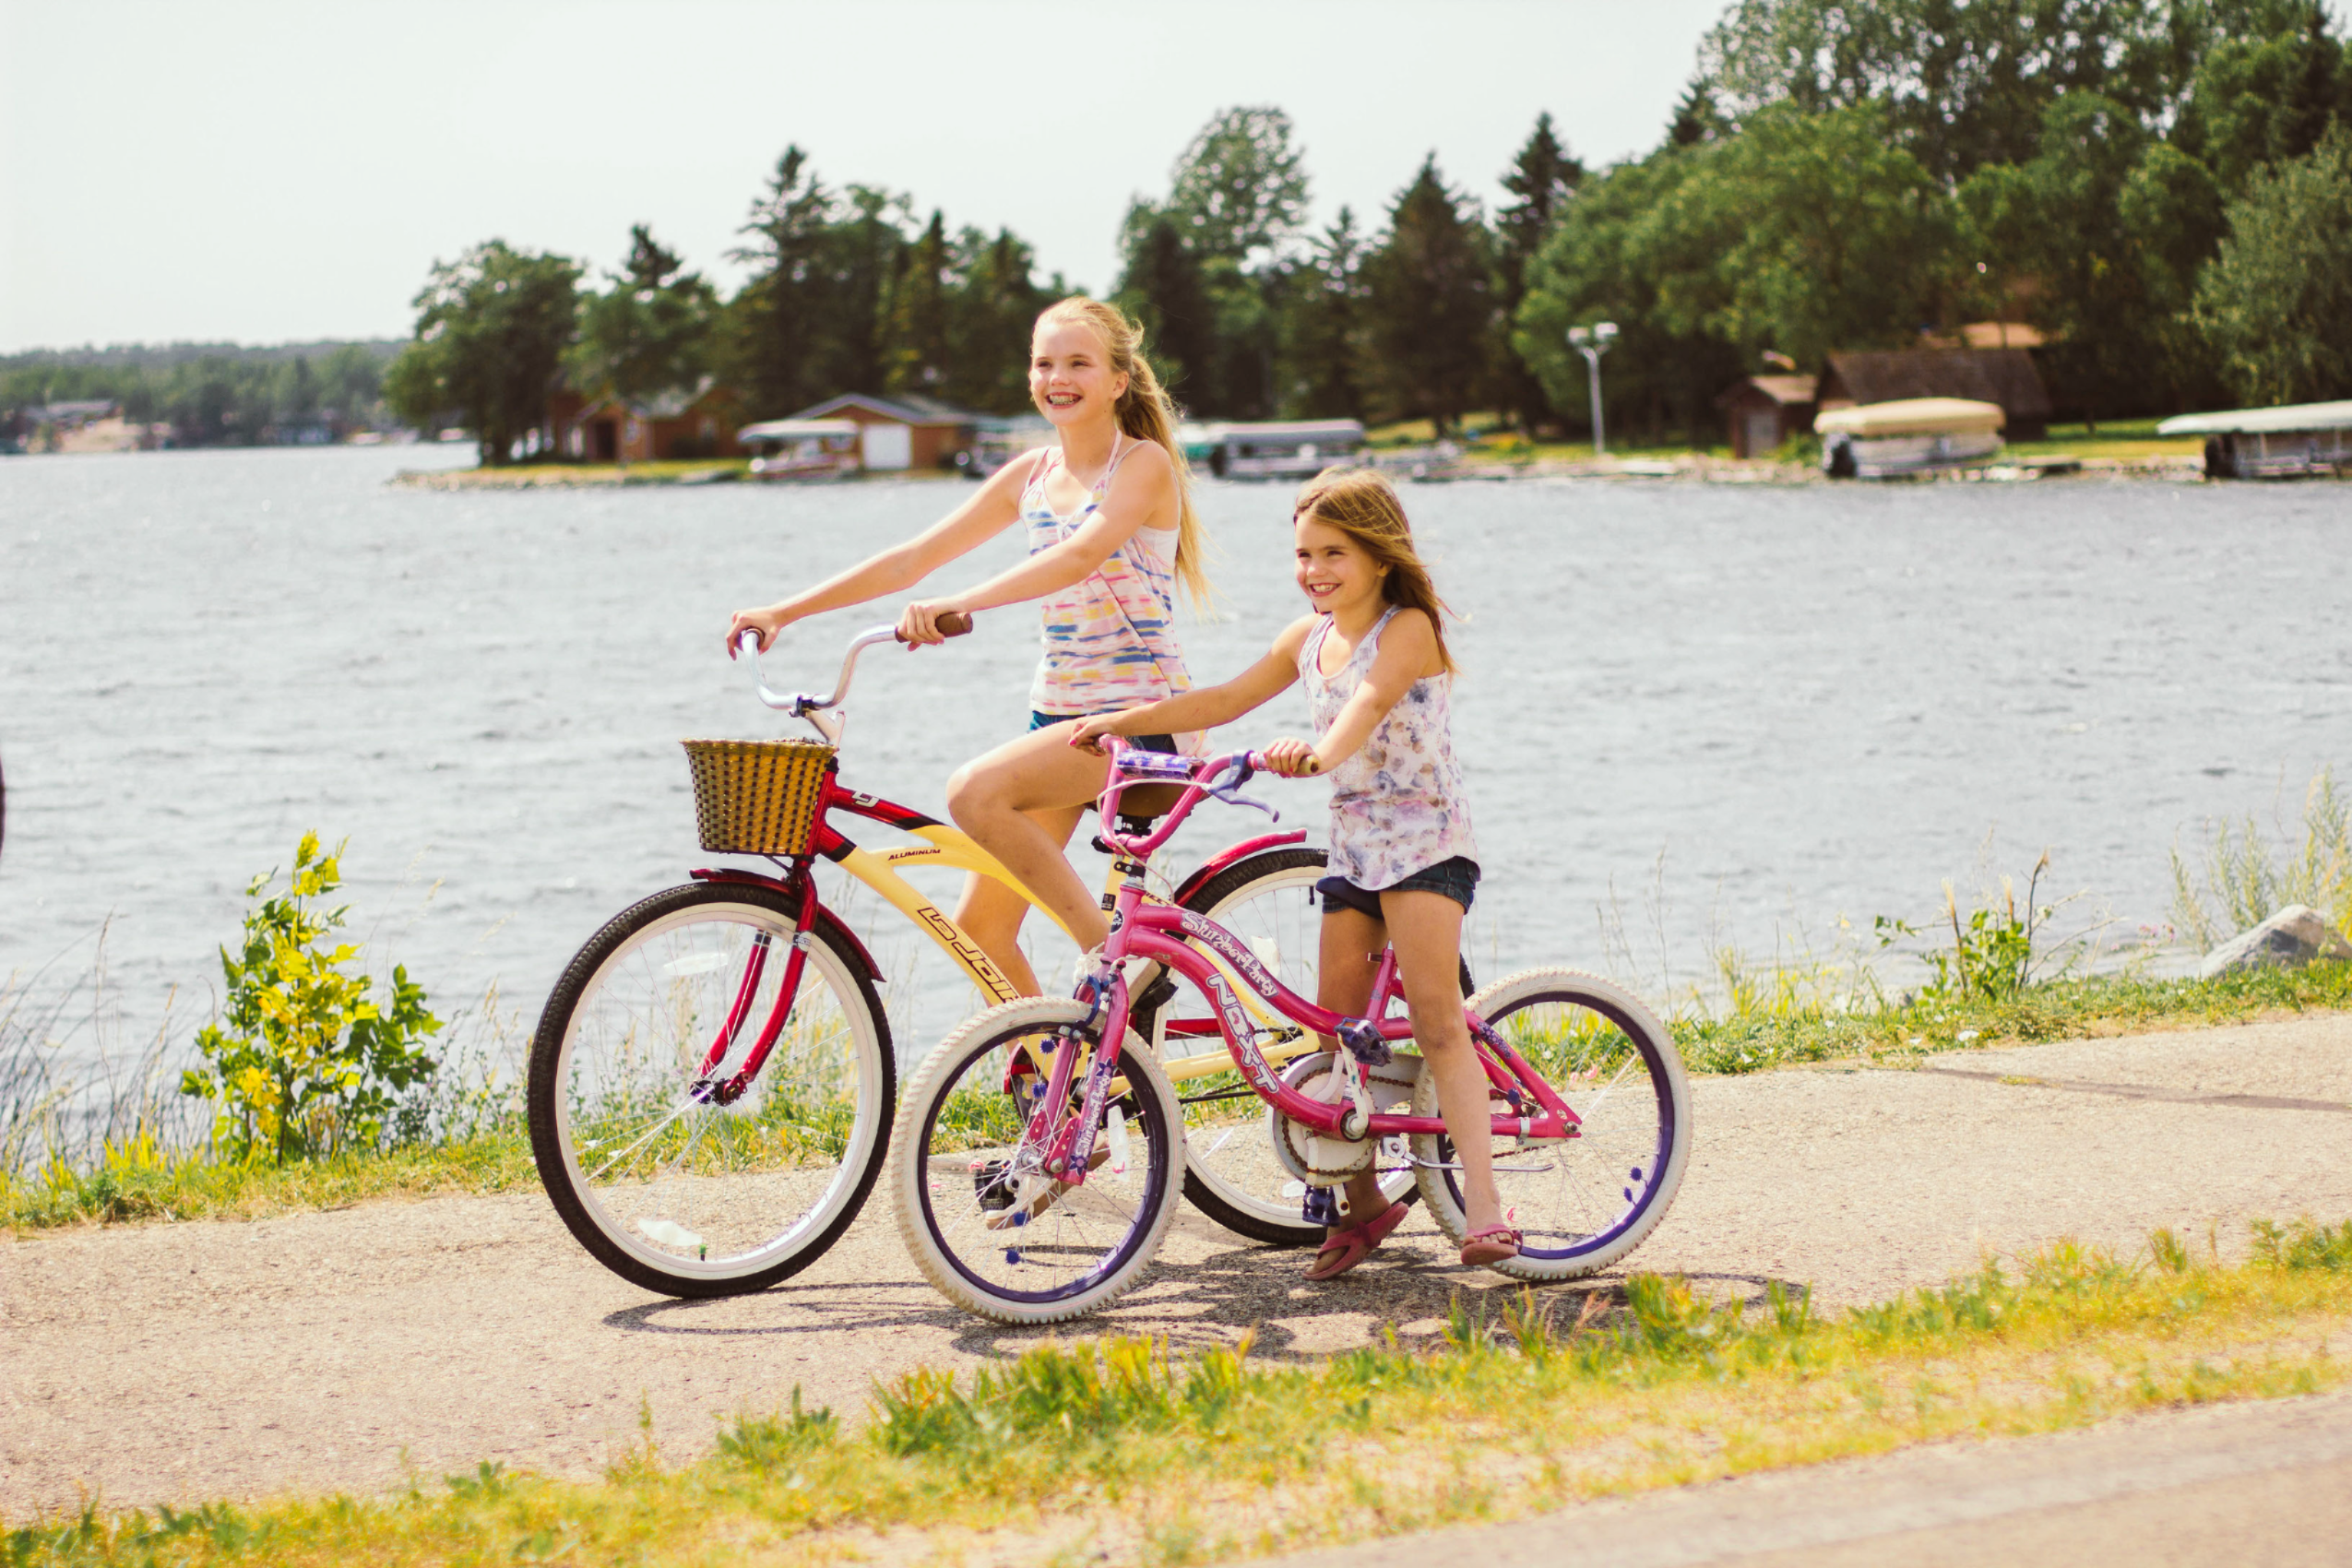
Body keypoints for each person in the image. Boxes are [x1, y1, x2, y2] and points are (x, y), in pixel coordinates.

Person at [1071, 469, 1513, 1277]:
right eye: (1304, 554)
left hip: (1425, 846)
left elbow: (1368, 704)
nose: (1314, 570)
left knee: (1437, 1021)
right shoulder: (1306, 638)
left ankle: (1484, 1209)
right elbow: (1221, 699)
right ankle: (1363, 1205)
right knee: (1333, 1036)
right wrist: (1118, 722)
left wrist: (1317, 754)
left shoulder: (1408, 628)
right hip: (1355, 851)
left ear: (1380, 555)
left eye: (1334, 553)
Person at [727, 298, 1208, 995]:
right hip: (1058, 718)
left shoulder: (1143, 464)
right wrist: (786, 611)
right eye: (1044, 364)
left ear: (1117, 381)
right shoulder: (1031, 475)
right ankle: (1050, 1062)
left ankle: (1118, 958)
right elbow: (912, 559)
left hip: (1142, 720)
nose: (1057, 378)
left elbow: (1079, 556)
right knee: (981, 930)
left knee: (973, 793)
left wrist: (962, 603)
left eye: (1078, 363)